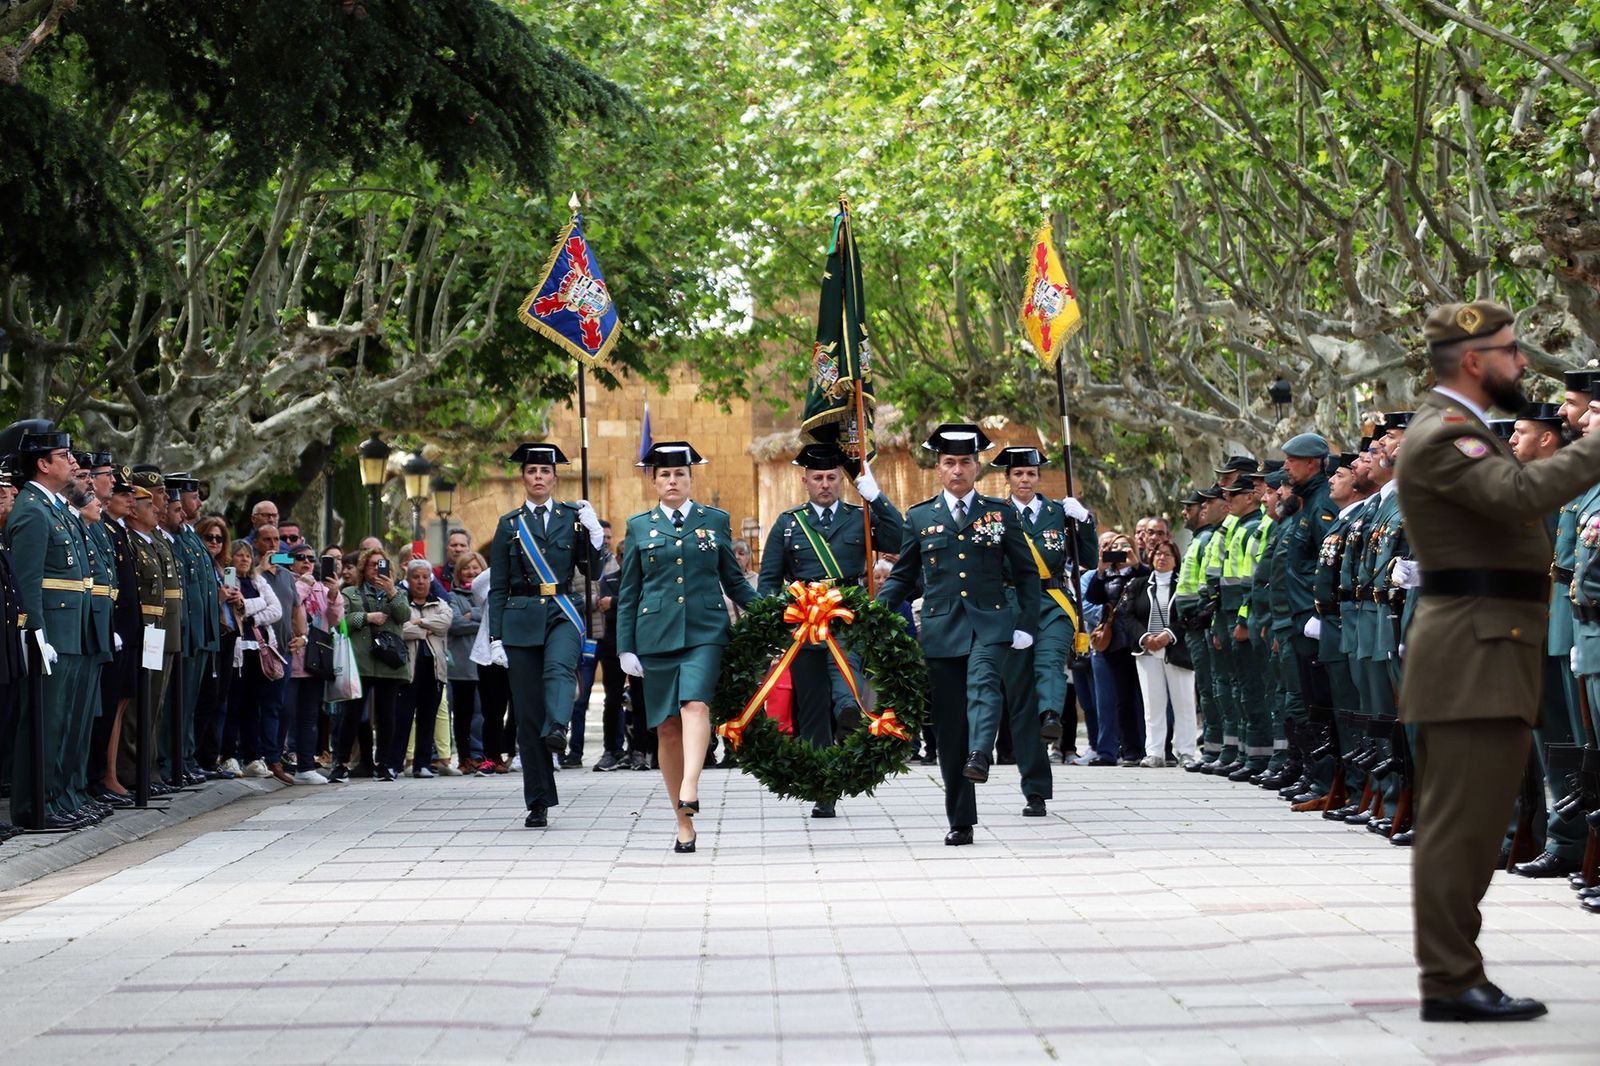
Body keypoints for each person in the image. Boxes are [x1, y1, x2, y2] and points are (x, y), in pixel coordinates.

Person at [1397, 300, 1600, 1022]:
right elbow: (1519, 491)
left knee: (1473, 826)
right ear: (1475, 361)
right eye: (1512, 352)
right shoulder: (1446, 434)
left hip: (1485, 650)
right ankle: (1451, 981)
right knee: (1463, 826)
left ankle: (1456, 974)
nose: (1523, 363)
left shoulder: (1461, 429)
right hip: (1471, 656)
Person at [876, 423, 1040, 846]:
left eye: (965, 462)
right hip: (941, 630)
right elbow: (904, 577)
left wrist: (1025, 625)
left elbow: (1026, 575)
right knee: (949, 730)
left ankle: (981, 752)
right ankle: (960, 818)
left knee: (985, 683)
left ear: (977, 466)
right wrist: (872, 610)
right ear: (938, 467)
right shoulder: (920, 516)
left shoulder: (1000, 514)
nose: (957, 470)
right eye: (949, 462)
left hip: (990, 623)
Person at [617, 441, 757, 853]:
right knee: (667, 727)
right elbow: (629, 592)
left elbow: (733, 580)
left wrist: (772, 613)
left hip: (705, 629)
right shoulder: (639, 525)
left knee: (695, 704)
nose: (672, 480)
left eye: (679, 474)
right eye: (664, 475)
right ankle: (683, 824)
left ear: (691, 479)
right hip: (655, 635)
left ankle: (691, 784)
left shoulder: (714, 520)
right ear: (654, 481)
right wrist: (626, 646)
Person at [756, 442, 903, 817]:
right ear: (805, 481)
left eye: (832, 477)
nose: (825, 484)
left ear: (842, 480)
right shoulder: (789, 524)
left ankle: (847, 710)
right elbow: (769, 580)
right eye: (818, 478)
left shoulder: (860, 517)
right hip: (803, 624)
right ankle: (824, 788)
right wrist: (771, 626)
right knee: (811, 709)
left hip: (845, 619)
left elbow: (902, 539)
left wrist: (877, 496)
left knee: (845, 676)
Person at [488, 442, 605, 826]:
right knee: (526, 715)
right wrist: (495, 635)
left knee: (559, 669)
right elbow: (499, 586)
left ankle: (559, 726)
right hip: (520, 619)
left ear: (555, 478)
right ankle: (538, 801)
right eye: (532, 471)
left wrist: (595, 537)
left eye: (545, 472)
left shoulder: (573, 517)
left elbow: (592, 571)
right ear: (523, 478)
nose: (538, 477)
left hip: (563, 611)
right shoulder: (509, 524)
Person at [991, 445, 1086, 814]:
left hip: (1053, 604)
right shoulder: (995, 515)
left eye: (1031, 474)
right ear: (1008, 479)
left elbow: (1087, 558)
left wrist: (1085, 522)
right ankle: (1035, 789)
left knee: (1049, 664)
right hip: (1013, 607)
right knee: (1019, 703)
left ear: (1038, 478)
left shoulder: (1056, 513)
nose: (1025, 480)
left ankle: (1052, 716)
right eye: (1018, 474)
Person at [333, 547, 411, 782]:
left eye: (382, 564)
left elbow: (404, 616)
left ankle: (385, 764)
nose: (377, 569)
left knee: (387, 715)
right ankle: (342, 763)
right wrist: (366, 618)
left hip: (389, 663)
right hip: (361, 662)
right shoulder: (350, 593)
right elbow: (340, 621)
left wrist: (390, 592)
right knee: (352, 714)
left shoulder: (397, 592)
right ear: (363, 569)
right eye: (372, 564)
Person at [1119, 539, 1196, 767]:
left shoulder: (1184, 584)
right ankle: (1154, 752)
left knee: (1183, 703)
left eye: (1168, 555)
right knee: (1153, 704)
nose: (1162, 558)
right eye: (1158, 554)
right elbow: (1128, 615)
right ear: (1151, 558)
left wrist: (1169, 634)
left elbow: (1189, 615)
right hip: (1147, 651)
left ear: (1176, 560)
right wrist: (1145, 638)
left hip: (1176, 650)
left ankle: (1185, 751)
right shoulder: (1138, 584)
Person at [220, 538, 284, 785]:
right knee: (234, 704)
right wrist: (252, 607)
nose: (245, 559)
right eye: (239, 555)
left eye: (248, 555)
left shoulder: (259, 581)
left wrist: (249, 611)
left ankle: (253, 756)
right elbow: (233, 606)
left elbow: (275, 609)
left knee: (254, 706)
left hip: (259, 649)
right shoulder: (229, 580)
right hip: (237, 651)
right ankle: (228, 754)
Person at [1085, 531, 1149, 765]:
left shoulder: (1141, 573)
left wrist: (1136, 564)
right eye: (1116, 547)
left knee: (1144, 698)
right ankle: (1130, 749)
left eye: (1125, 546)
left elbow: (1151, 584)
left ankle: (1150, 747)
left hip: (1139, 639)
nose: (1120, 551)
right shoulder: (1107, 576)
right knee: (1122, 699)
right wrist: (1101, 569)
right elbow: (1092, 597)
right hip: (1116, 643)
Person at [284, 544, 341, 784]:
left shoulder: (320, 587)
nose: (306, 562)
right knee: (285, 712)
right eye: (300, 558)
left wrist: (335, 595)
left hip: (315, 660)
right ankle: (277, 760)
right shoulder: (287, 582)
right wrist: (305, 584)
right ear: (290, 562)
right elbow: (288, 605)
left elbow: (335, 618)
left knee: (309, 716)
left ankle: (306, 765)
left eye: (310, 558)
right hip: (290, 659)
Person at [567, 520, 618, 769]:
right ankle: (574, 752)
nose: (606, 541)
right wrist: (596, 600)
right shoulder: (576, 564)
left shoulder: (615, 563)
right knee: (580, 698)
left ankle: (615, 749)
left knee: (615, 696)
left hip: (611, 637)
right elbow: (571, 597)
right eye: (602, 537)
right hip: (584, 637)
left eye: (609, 537)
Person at [395, 559, 452, 777]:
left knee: (428, 717)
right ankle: (394, 763)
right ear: (408, 580)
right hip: (408, 670)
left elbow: (445, 622)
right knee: (403, 717)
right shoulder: (401, 604)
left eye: (425, 577)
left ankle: (423, 764)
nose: (421, 581)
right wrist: (425, 627)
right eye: (416, 577)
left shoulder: (440, 603)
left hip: (434, 668)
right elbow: (399, 629)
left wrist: (418, 623)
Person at [194, 515, 237, 776]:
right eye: (209, 537)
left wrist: (237, 601)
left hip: (228, 633)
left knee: (220, 698)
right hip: (211, 635)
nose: (214, 543)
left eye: (219, 539)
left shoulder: (223, 569)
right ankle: (198, 758)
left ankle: (211, 757)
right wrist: (217, 599)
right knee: (207, 698)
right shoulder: (201, 565)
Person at [447, 551, 487, 774]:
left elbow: (493, 618)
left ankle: (482, 754)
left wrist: (471, 614)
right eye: (466, 568)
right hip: (461, 665)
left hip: (484, 663)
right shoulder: (452, 596)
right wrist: (480, 618)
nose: (471, 572)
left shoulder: (489, 595)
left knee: (483, 712)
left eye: (475, 568)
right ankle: (464, 757)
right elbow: (455, 623)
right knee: (462, 714)